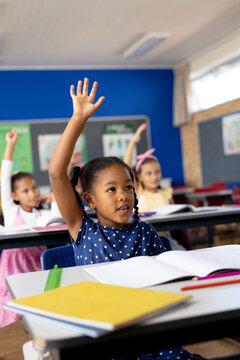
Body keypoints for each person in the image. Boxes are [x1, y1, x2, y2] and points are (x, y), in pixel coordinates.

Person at [49, 77, 201, 360]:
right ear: (90, 200)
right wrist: (78, 119)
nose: (123, 195)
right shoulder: (83, 230)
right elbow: (57, 174)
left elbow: (169, 280)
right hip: (104, 333)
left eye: (128, 187)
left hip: (150, 327)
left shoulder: (146, 232)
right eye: (111, 189)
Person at [0, 128, 62, 328]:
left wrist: (54, 198)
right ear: (15, 196)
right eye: (25, 190)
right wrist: (10, 145)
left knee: (39, 310)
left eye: (34, 188)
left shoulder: (41, 215)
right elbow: (4, 179)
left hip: (36, 267)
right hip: (14, 269)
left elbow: (58, 220)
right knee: (16, 312)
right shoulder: (11, 212)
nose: (32, 193)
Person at [124, 124, 192, 250]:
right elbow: (126, 168)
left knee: (185, 255)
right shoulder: (139, 192)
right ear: (139, 176)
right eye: (148, 173)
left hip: (167, 241)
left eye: (157, 172)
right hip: (143, 243)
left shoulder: (166, 192)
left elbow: (176, 216)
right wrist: (133, 142)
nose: (154, 177)